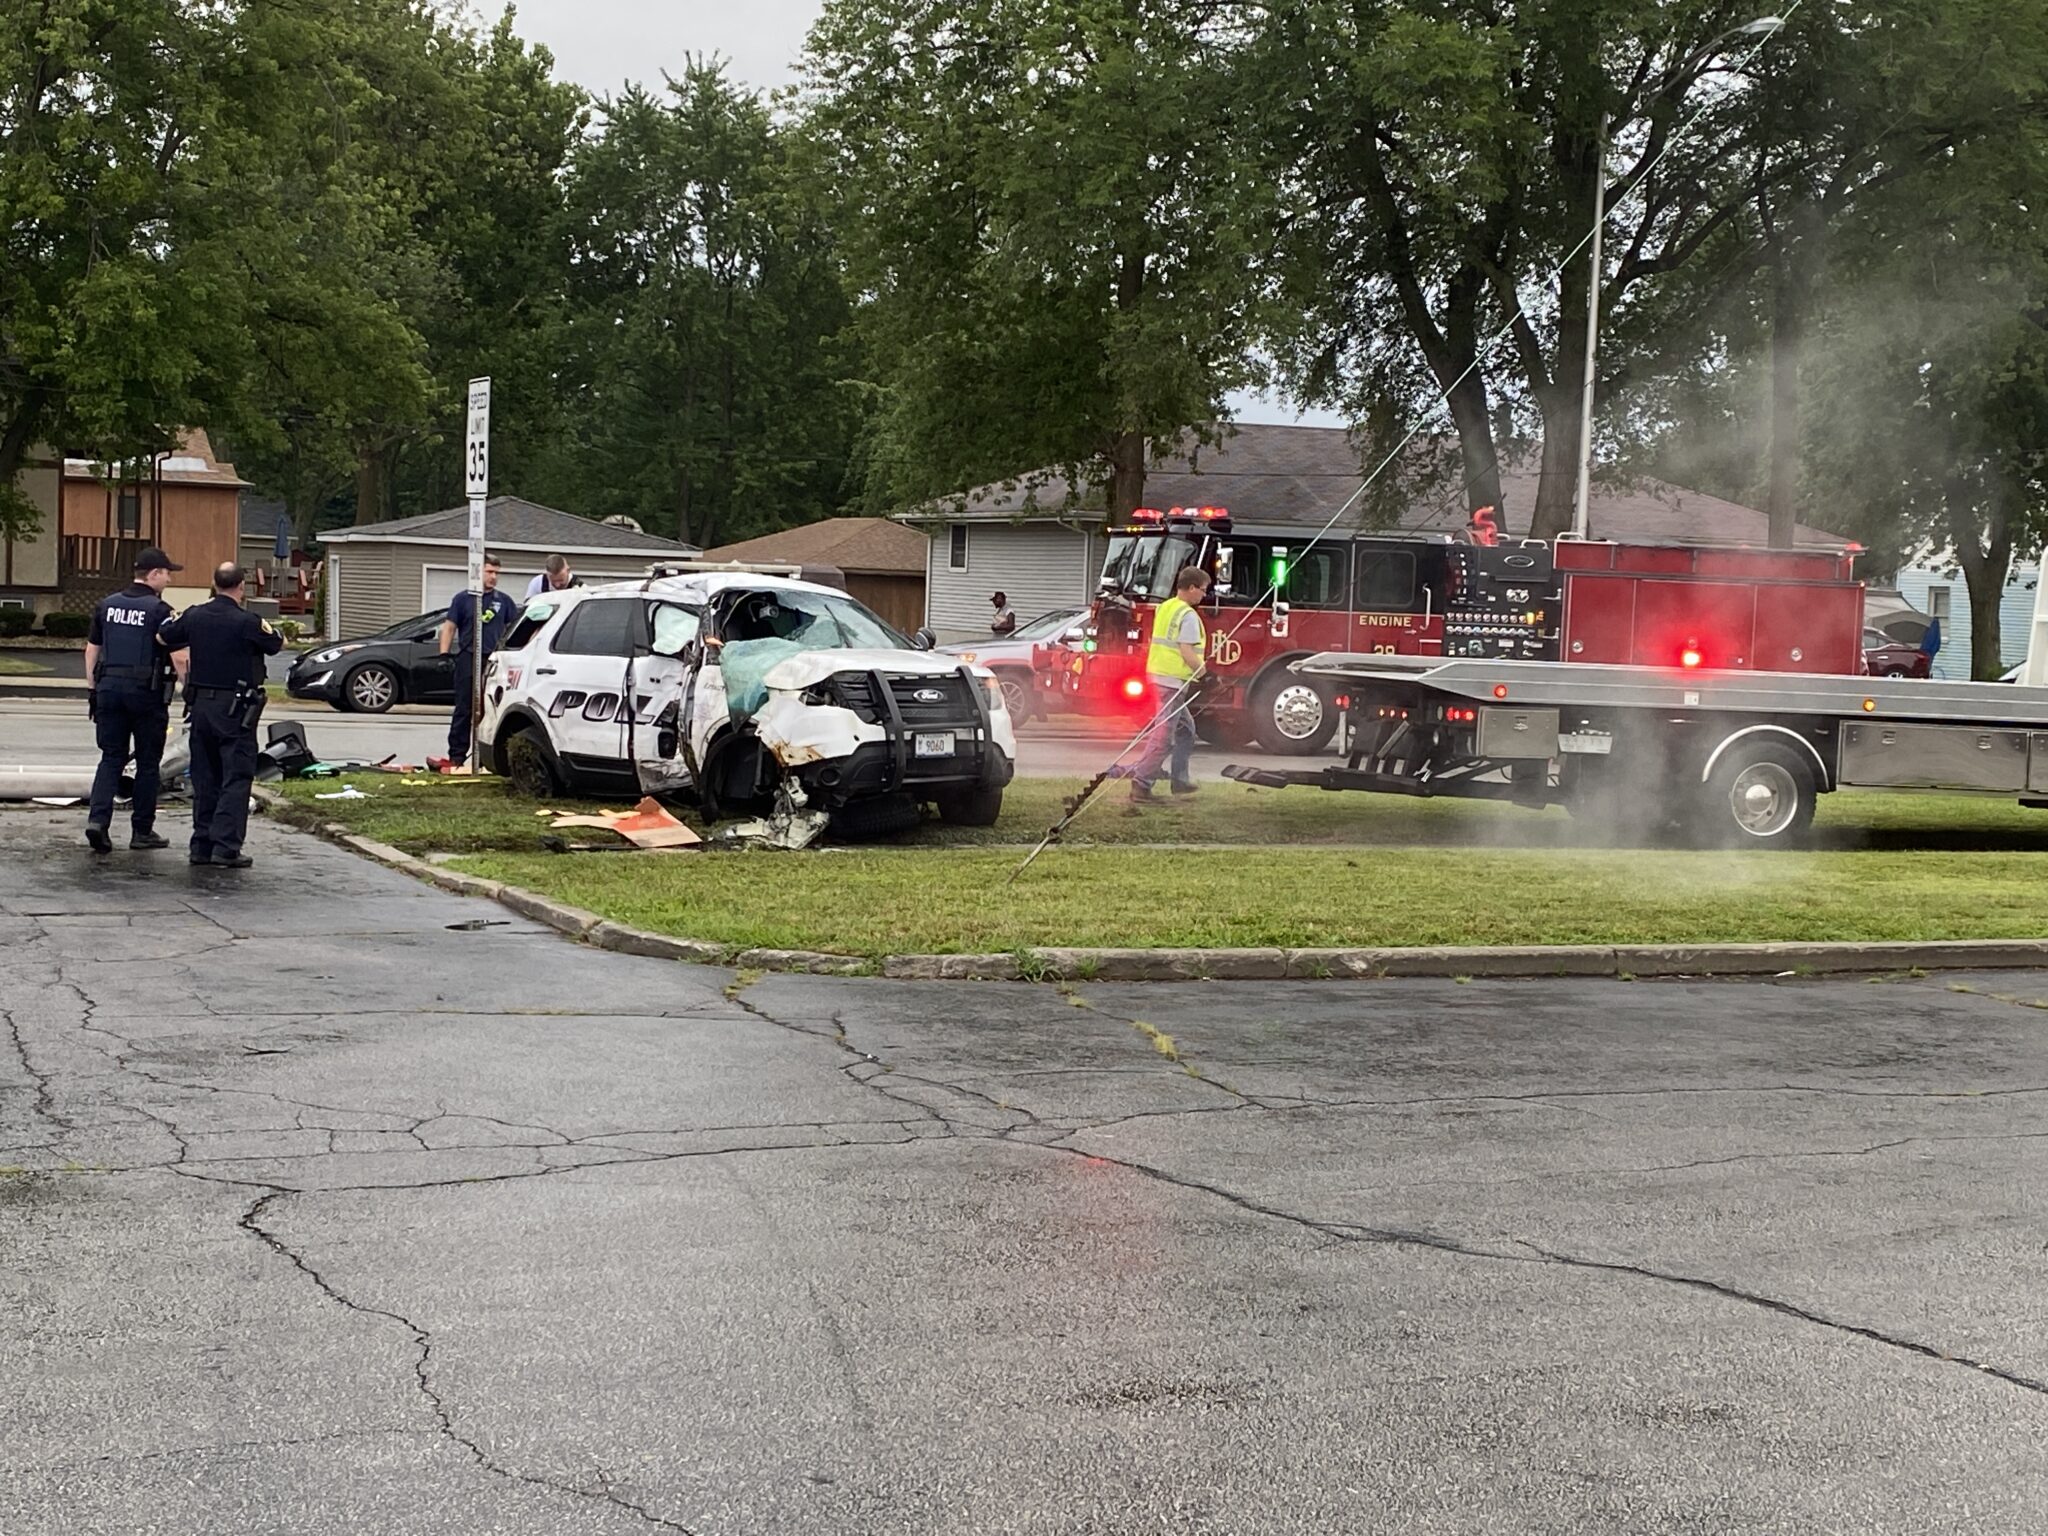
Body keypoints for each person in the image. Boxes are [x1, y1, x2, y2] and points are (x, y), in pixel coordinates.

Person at [158, 564, 283, 869]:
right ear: (241, 586)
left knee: (204, 776)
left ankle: (201, 845)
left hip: (200, 708)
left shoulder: (194, 615)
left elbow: (164, 636)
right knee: (236, 777)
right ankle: (226, 847)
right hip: (235, 710)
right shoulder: (247, 621)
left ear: (213, 584)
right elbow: (276, 644)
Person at [83, 548, 186, 853]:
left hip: (108, 691)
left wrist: (92, 690)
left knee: (111, 757)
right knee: (147, 763)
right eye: (167, 573)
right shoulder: (160, 611)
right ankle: (142, 831)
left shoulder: (106, 605)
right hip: (146, 694)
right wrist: (188, 690)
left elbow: (91, 651)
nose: (168, 579)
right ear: (153, 574)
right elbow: (179, 657)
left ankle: (97, 821)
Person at [1129, 566, 1211, 802]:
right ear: (1192, 588)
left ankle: (1180, 781)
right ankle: (1141, 785)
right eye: (1203, 591)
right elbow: (1186, 651)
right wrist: (1205, 674)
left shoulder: (1166, 607)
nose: (1204, 596)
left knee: (1187, 730)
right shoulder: (1187, 615)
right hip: (1171, 682)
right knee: (1163, 737)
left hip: (1159, 677)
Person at [439, 554, 517, 765]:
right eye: (489, 572)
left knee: (488, 709)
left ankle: (485, 759)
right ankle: (456, 756)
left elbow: (515, 629)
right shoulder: (463, 599)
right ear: (478, 572)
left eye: (496, 573)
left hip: (492, 660)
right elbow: (449, 627)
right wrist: (444, 652)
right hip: (468, 656)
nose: (493, 577)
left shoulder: (504, 601)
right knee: (464, 708)